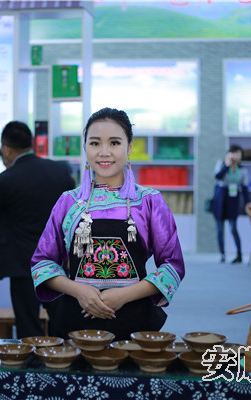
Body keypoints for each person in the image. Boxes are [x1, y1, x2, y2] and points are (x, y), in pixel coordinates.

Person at [30, 107, 186, 341]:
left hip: (136, 323)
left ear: (129, 147)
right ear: (85, 148)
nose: (104, 152)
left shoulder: (149, 201)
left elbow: (172, 265)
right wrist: (79, 291)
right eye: (95, 143)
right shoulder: (68, 201)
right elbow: (42, 263)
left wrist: (124, 295)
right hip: (76, 323)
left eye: (114, 143)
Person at [0, 121, 75, 338]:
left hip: (22, 263)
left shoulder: (4, 180)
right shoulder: (60, 171)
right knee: (60, 318)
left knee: (28, 323)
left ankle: (33, 358)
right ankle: (62, 355)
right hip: (56, 259)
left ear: (6, 149)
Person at [211, 144, 251, 264]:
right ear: (228, 154)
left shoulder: (243, 169)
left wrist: (247, 203)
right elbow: (217, 177)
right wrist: (227, 165)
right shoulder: (221, 164)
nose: (235, 156)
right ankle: (222, 254)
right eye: (233, 153)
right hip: (220, 199)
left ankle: (239, 254)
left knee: (233, 228)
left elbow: (245, 188)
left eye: (238, 154)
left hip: (233, 200)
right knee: (220, 229)